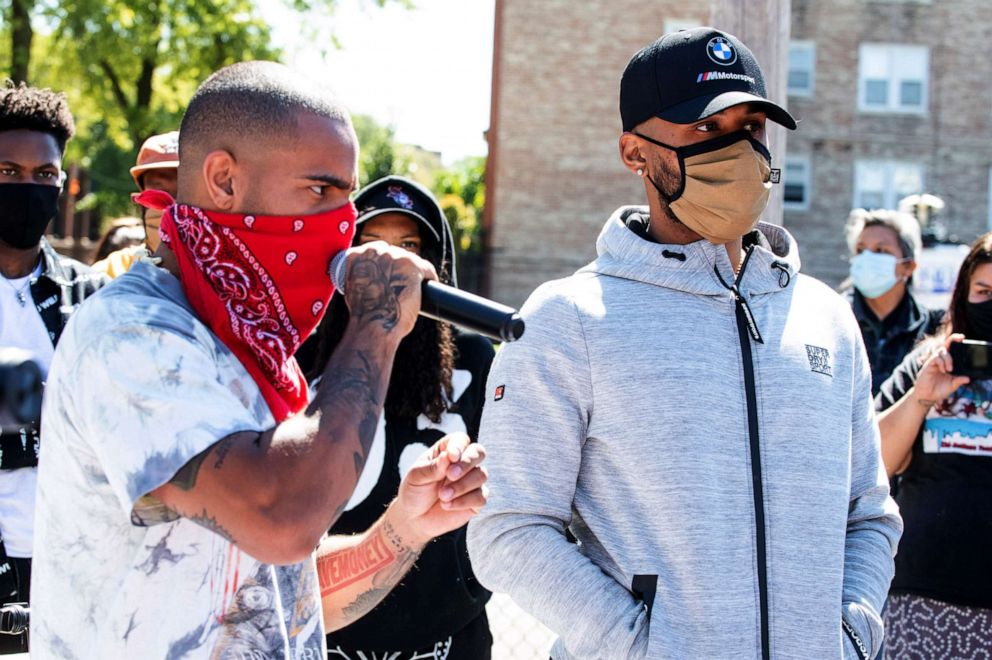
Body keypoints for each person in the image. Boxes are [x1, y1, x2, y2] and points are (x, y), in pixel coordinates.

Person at [467, 26, 901, 660]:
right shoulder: (570, 319)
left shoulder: (826, 318)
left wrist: (850, 636)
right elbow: (508, 528)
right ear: (634, 151)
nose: (739, 149)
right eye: (706, 128)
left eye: (751, 126)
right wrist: (643, 645)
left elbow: (869, 515)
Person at [31, 61, 487, 659]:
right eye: (320, 191)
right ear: (223, 179)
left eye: (346, 199)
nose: (343, 226)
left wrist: (408, 525)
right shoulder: (131, 335)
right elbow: (282, 517)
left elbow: (283, 591)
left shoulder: (256, 345)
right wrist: (375, 323)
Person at [309, 176, 494, 659]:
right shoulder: (303, 353)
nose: (393, 264)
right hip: (326, 635)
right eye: (370, 245)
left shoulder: (474, 356)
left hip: (446, 640)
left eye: (410, 245)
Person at [0, 80, 108, 654]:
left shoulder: (86, 296)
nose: (27, 187)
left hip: (69, 557)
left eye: (44, 175)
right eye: (8, 171)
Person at [875, 232, 992, 658]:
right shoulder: (926, 363)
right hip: (925, 596)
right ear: (963, 296)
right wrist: (922, 397)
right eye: (984, 292)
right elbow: (875, 464)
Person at [844, 208, 942, 395]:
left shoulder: (930, 327)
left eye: (881, 250)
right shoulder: (834, 318)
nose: (867, 258)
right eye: (861, 250)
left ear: (908, 266)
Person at [92, 130, 179, 277]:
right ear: (141, 199)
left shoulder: (225, 277)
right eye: (159, 193)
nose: (171, 206)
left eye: (185, 192)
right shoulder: (112, 272)